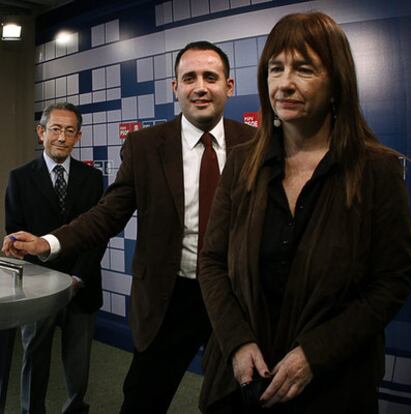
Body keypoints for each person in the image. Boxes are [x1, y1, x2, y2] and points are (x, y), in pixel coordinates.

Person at [2, 41, 256, 413]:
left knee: (232, 401)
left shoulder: (255, 144)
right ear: (175, 87)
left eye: (210, 77)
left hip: (235, 298)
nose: (200, 86)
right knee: (142, 400)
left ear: (229, 86)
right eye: (189, 78)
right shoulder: (145, 145)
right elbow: (106, 214)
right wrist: (48, 243)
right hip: (169, 298)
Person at [197, 12, 411, 414]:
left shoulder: (377, 170)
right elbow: (211, 262)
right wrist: (237, 340)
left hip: (334, 383)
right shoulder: (242, 163)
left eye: (304, 68)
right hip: (241, 382)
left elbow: (391, 282)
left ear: (336, 82)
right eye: (275, 69)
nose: (285, 83)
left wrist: (315, 353)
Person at [5, 102, 104, 414]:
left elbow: (97, 235)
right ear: (41, 133)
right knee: (34, 360)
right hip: (37, 289)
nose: (62, 137)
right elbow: (15, 230)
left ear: (78, 136)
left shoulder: (92, 178)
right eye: (56, 129)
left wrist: (77, 277)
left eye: (70, 131)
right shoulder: (19, 178)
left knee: (79, 368)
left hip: (81, 285)